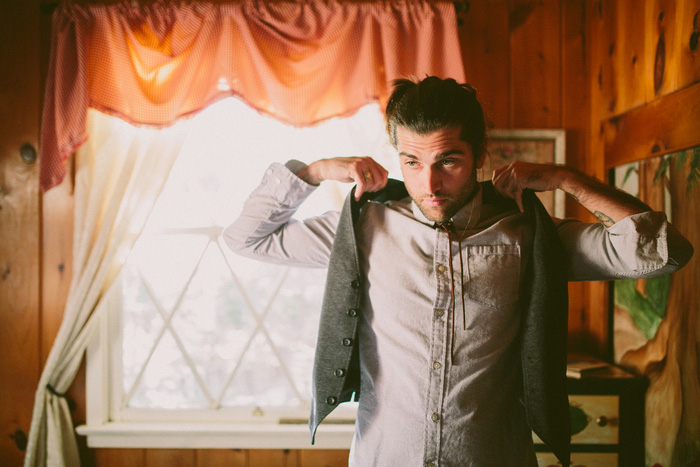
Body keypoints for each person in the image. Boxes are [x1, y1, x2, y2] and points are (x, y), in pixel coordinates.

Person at [224, 76, 693, 467]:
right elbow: (246, 238)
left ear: (480, 153)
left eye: (447, 161)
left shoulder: (529, 236)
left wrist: (567, 180)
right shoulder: (363, 228)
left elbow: (663, 253)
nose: (429, 183)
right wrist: (315, 171)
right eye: (412, 161)